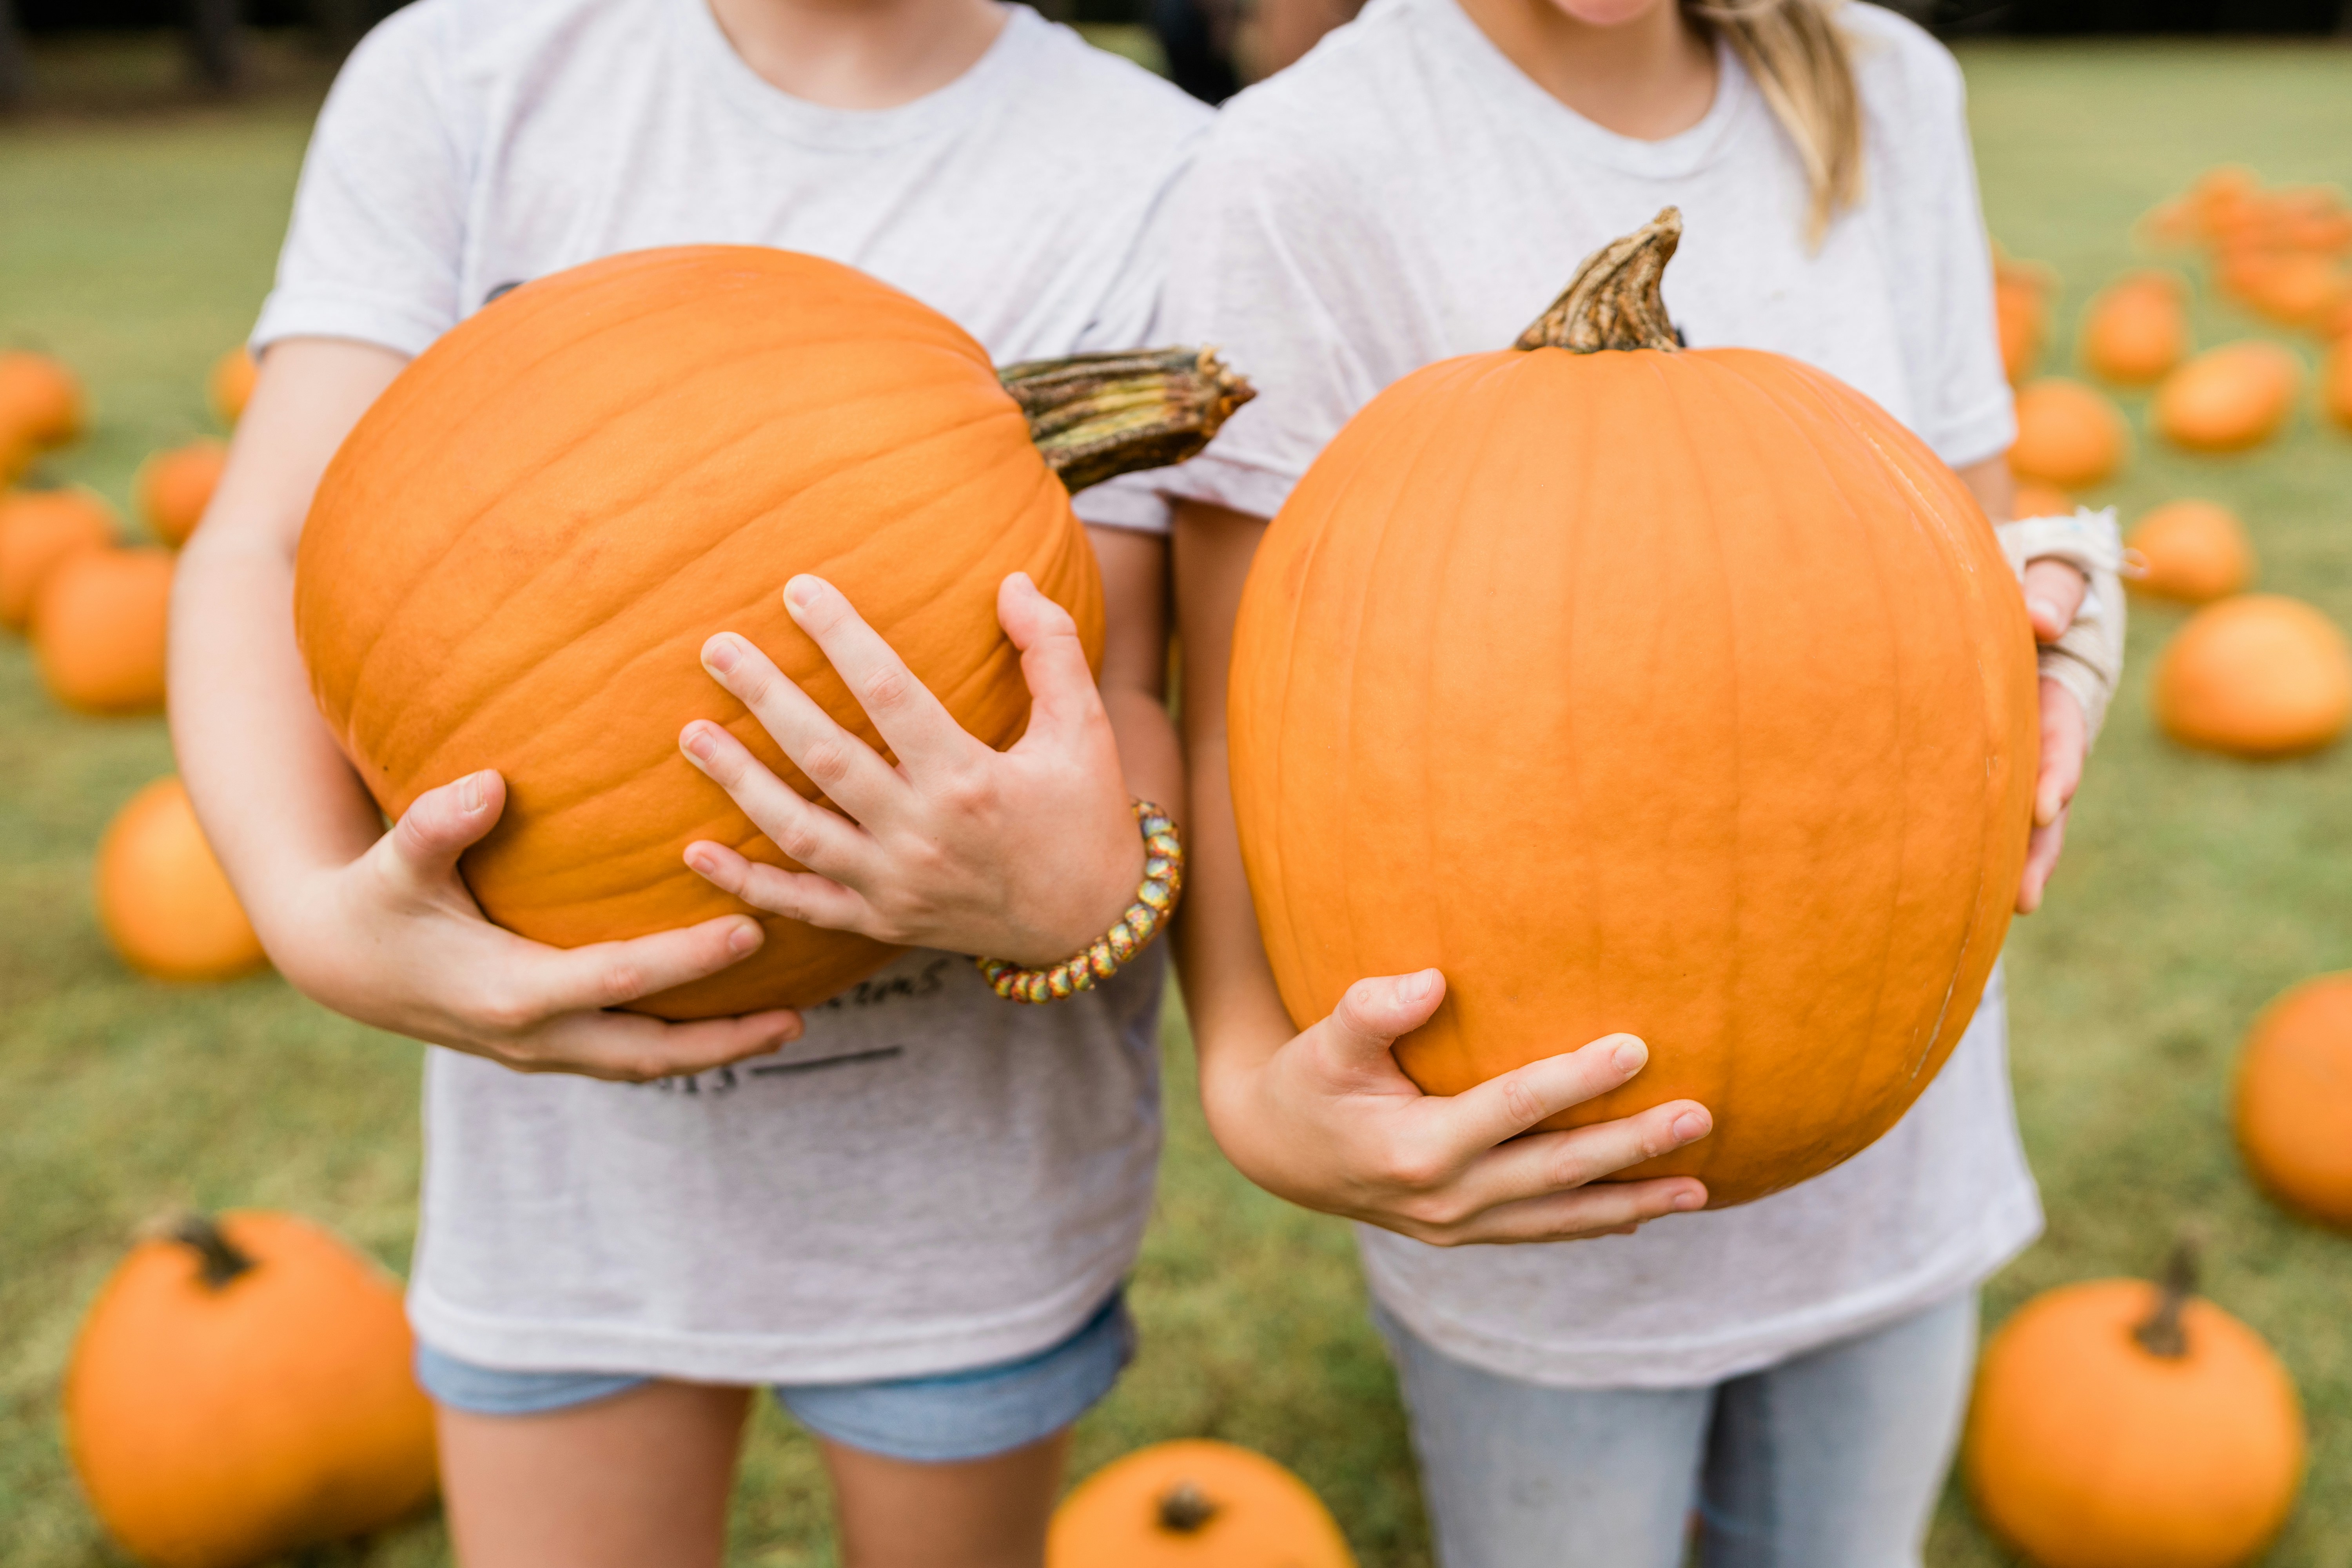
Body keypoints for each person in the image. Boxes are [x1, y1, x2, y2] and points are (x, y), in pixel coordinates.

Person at [170, 2, 1218, 1563]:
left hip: (956, 1200)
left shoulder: (1164, 173)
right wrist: (309, 913)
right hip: (566, 1206)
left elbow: (1115, 690)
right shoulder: (474, 76)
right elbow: (265, 538)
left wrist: (1072, 895)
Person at [1145, 0, 2127, 1563]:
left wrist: (2066, 622)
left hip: (1895, 1160)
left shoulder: (1881, 90)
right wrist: (1256, 1095)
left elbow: (1975, 550)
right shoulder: (1298, 161)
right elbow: (1236, 703)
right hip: (1521, 1198)